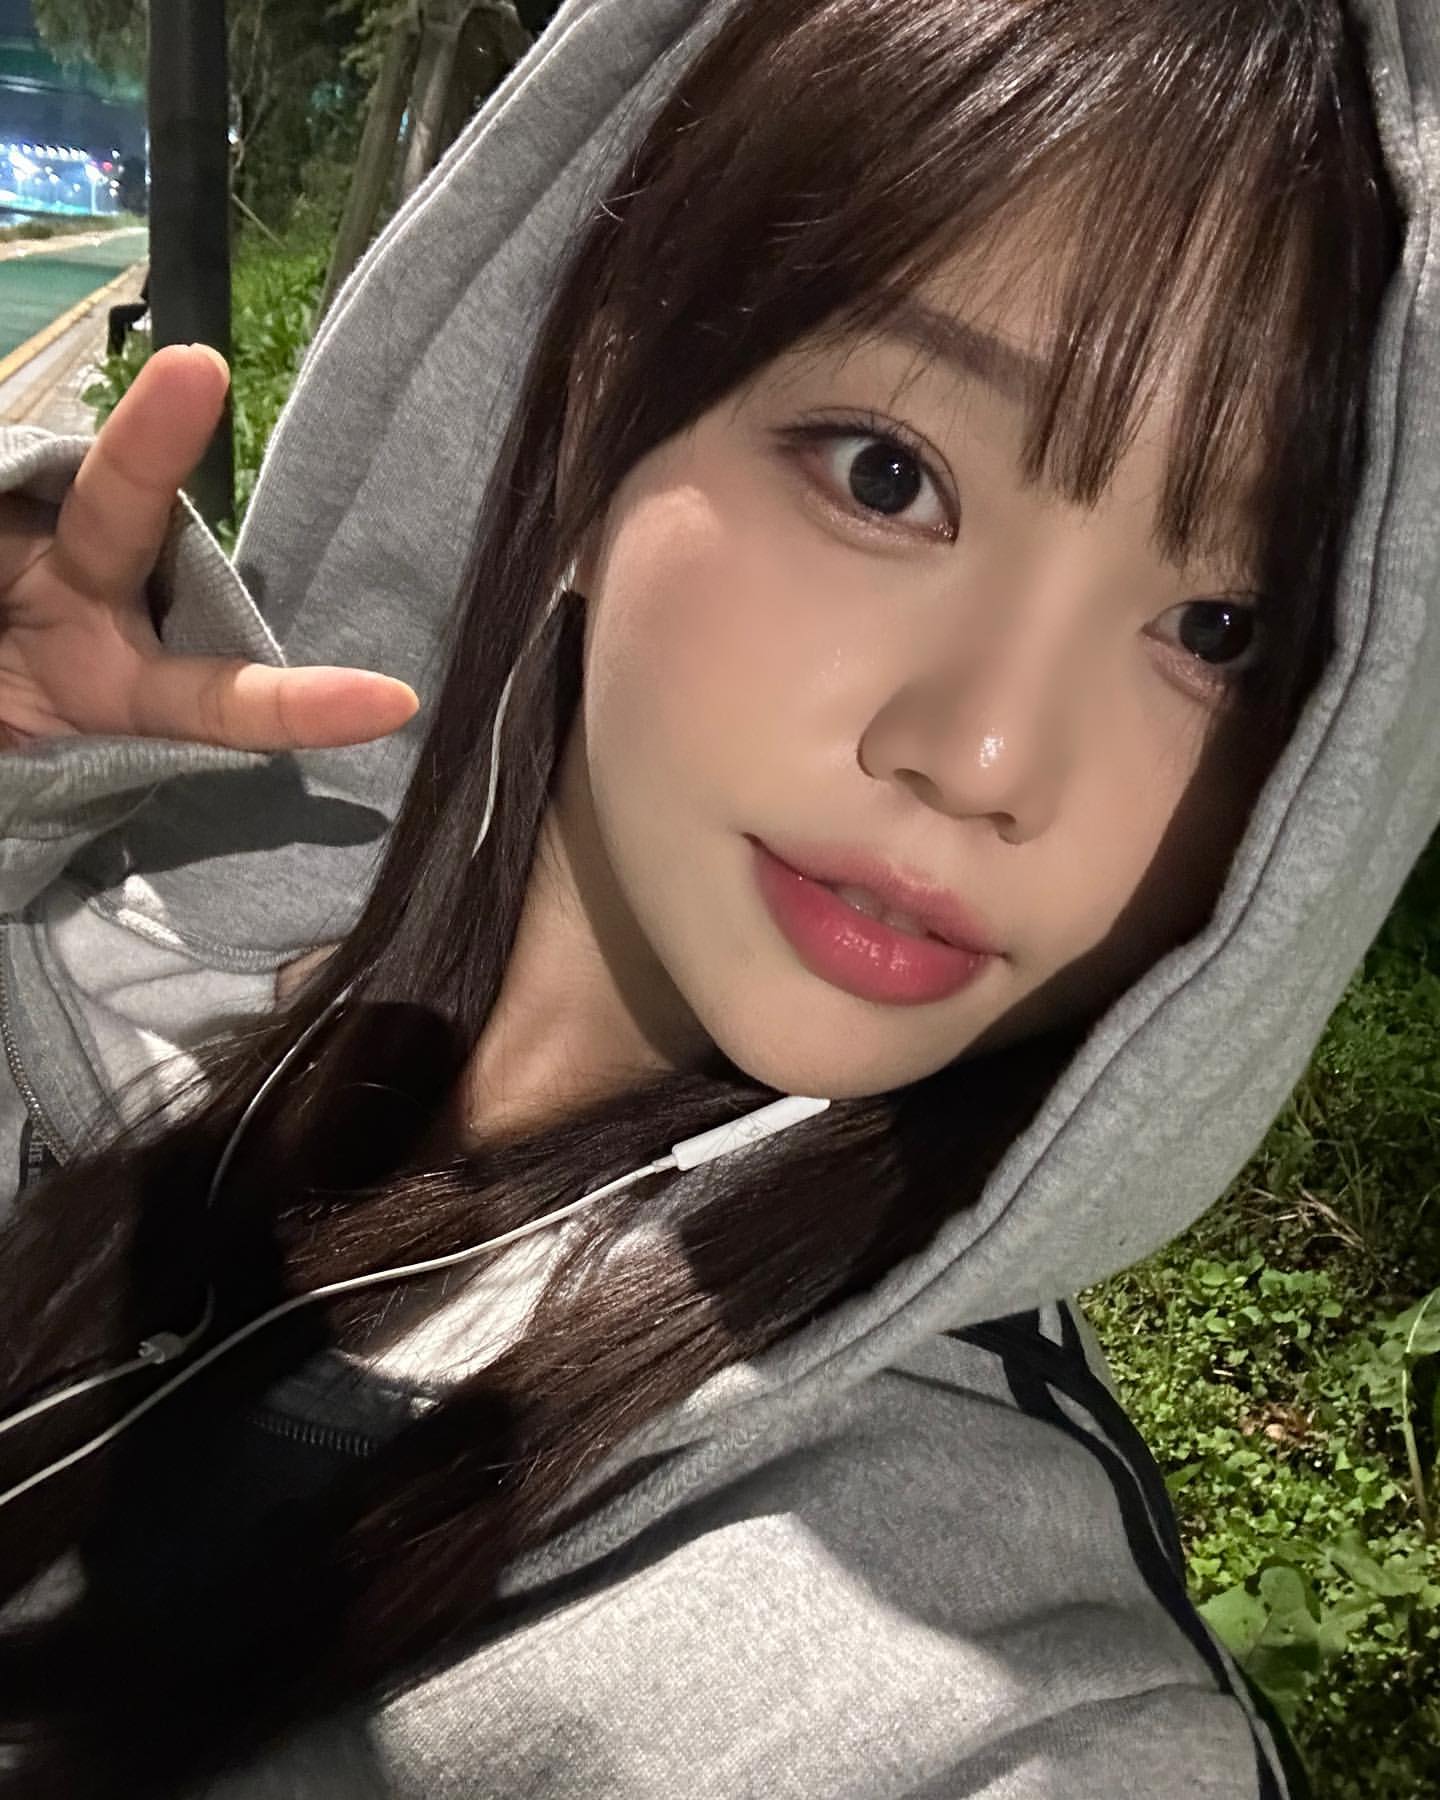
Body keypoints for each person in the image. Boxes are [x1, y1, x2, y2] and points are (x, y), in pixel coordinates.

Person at [0, 0, 1428, 1793]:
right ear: (597, 414)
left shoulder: (1000, 1710)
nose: (986, 755)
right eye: (891, 477)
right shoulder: (107, 937)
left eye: (1219, 631)